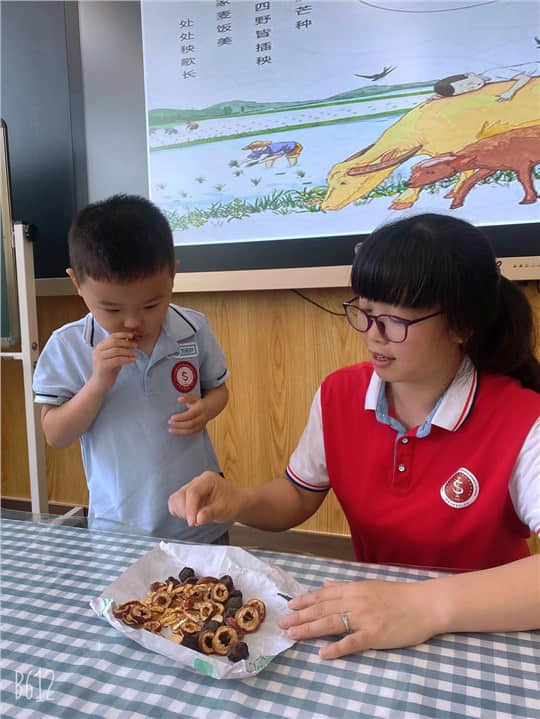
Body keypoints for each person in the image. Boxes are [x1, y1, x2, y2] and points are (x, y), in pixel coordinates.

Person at [168, 213, 540, 658]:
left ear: (461, 324)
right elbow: (298, 494)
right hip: (378, 625)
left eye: (394, 321)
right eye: (364, 312)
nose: (372, 336)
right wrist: (238, 501)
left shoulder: (523, 419)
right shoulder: (339, 395)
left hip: (494, 634)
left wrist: (422, 605)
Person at [33, 194, 231, 543]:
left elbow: (218, 390)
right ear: (77, 284)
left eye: (152, 304)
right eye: (110, 309)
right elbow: (56, 434)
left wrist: (206, 409)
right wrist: (97, 383)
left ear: (172, 276)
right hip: (118, 528)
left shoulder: (193, 328)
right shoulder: (69, 345)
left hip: (200, 521)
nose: (133, 321)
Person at [433, 62, 538, 102]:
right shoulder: (486, 80)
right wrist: (439, 95)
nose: (472, 85)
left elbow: (525, 77)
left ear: (468, 74)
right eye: (465, 89)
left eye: (465, 83)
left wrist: (510, 92)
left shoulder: (494, 73)